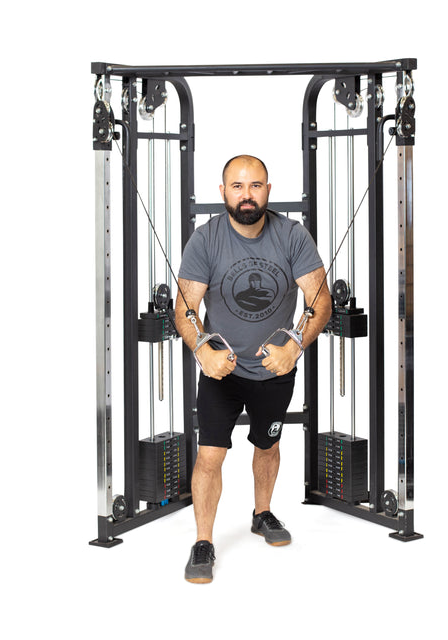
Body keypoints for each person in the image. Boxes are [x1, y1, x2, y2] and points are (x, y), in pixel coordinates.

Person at [176, 154, 331, 583]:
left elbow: (320, 303)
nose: (247, 195)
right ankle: (203, 541)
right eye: (238, 186)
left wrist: (294, 346)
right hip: (220, 369)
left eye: (256, 185)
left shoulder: (292, 235)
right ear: (222, 191)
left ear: (268, 190)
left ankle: (262, 514)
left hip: (274, 366)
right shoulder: (205, 240)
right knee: (210, 454)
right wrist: (202, 348)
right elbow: (184, 309)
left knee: (267, 445)